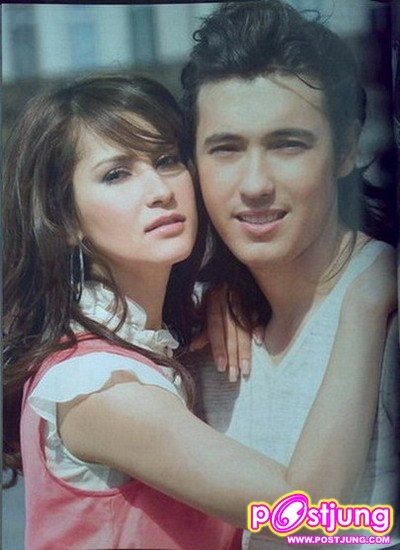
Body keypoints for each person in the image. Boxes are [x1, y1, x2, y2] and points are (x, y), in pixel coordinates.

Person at [2, 75, 394, 550]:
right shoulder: (98, 387)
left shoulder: (162, 336)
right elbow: (306, 512)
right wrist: (364, 302)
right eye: (117, 174)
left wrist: (220, 295)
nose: (160, 191)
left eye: (167, 161)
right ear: (65, 220)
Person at [180, 1, 399, 548]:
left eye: (287, 145)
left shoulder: (387, 313)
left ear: (347, 148)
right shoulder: (202, 332)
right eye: (226, 149)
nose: (255, 184)